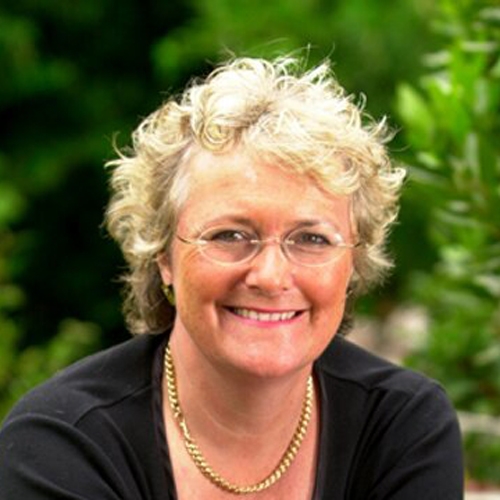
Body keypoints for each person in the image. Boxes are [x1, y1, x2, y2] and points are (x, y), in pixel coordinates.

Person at [0, 55, 463, 499]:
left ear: (354, 262)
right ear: (163, 255)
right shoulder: (63, 443)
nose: (270, 276)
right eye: (230, 235)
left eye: (312, 239)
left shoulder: (401, 426)